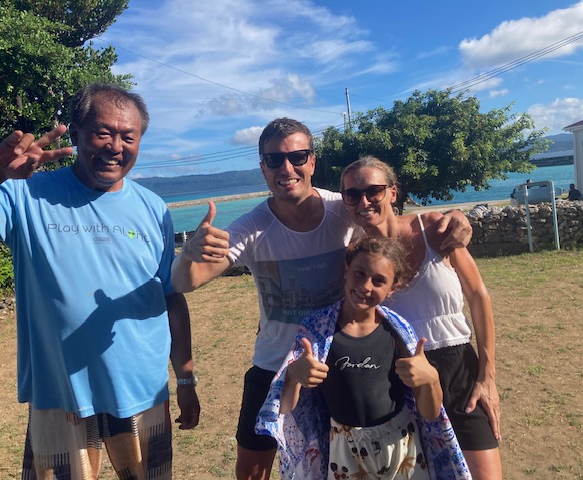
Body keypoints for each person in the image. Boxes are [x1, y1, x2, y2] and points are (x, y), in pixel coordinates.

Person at [171, 117, 473, 480]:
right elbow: (186, 282)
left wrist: (453, 217)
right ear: (263, 167)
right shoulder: (252, 227)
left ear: (312, 162)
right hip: (273, 362)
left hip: (335, 364)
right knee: (251, 471)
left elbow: (387, 220)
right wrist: (188, 255)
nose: (287, 168)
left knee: (340, 462)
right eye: (274, 159)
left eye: (297, 157)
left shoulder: (342, 210)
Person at [0, 83, 200, 479]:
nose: (115, 146)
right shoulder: (24, 194)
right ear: (76, 133)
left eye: (128, 137)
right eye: (103, 133)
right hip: (61, 396)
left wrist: (185, 378)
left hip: (143, 391)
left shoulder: (154, 209)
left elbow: (168, 296)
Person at [339, 155, 501, 480]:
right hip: (401, 379)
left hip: (459, 370)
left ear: (393, 192)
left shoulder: (434, 229)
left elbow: (478, 296)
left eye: (373, 191)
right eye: (352, 194)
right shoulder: (356, 256)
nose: (364, 201)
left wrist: (487, 377)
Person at [256, 235, 471, 479]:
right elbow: (285, 410)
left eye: (379, 281)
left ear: (393, 288)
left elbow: (430, 414)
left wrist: (431, 379)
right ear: (346, 270)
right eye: (360, 273)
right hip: (344, 452)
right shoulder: (316, 332)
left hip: (402, 448)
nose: (366, 286)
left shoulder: (398, 332)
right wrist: (294, 375)